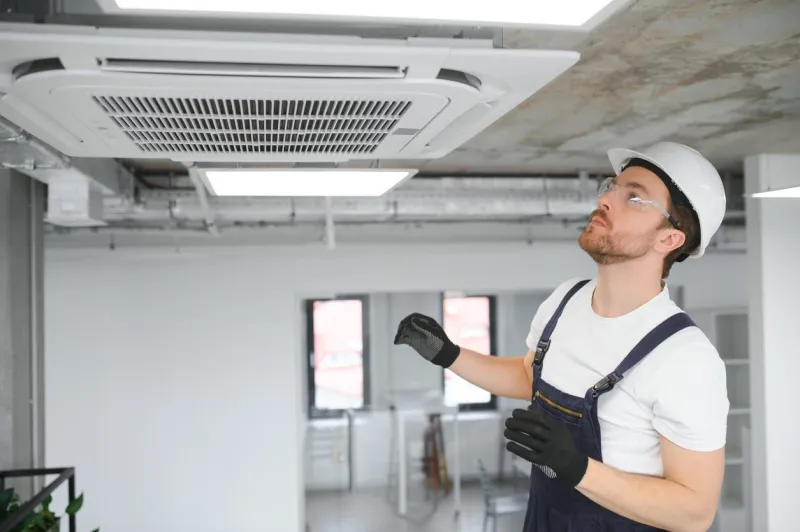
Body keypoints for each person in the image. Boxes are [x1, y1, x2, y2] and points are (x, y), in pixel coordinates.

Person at [393, 141, 729, 532]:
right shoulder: (566, 299)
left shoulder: (684, 357)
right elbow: (528, 376)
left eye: (634, 197)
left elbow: (695, 512)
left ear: (669, 239)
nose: (605, 200)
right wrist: (448, 355)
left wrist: (576, 467)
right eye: (611, 187)